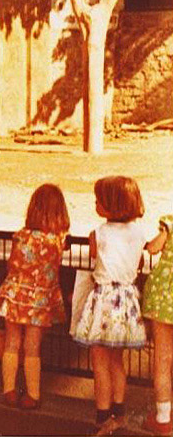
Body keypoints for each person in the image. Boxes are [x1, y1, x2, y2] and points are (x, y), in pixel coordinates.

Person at [72, 176, 163, 436]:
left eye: (99, 200)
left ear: (110, 205)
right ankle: (119, 413)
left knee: (99, 362)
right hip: (127, 301)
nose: (95, 203)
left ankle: (102, 416)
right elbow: (148, 250)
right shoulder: (138, 232)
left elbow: (93, 255)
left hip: (103, 300)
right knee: (117, 362)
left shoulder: (98, 233)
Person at [0, 184, 71, 409]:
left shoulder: (21, 236)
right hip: (40, 299)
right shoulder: (58, 239)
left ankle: (9, 390)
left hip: (16, 294)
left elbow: (11, 264)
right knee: (32, 347)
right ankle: (33, 394)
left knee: (12, 342)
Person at [142, 212, 173, 435]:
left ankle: (163, 418)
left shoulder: (170, 224)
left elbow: (152, 249)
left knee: (162, 360)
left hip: (164, 299)